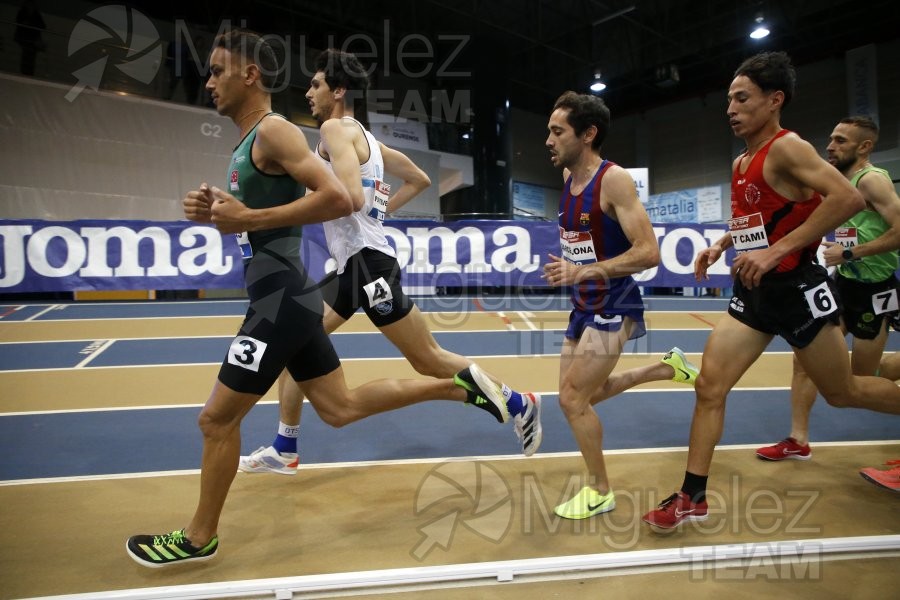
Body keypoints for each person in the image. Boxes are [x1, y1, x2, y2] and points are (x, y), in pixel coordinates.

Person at [126, 29, 517, 568]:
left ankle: (199, 538)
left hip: (281, 301)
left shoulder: (277, 132)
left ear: (250, 74)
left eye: (218, 70)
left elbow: (339, 196)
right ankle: (453, 390)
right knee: (339, 408)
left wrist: (246, 216)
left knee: (215, 422)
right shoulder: (250, 143)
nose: (208, 81)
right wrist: (219, 212)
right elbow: (261, 223)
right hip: (289, 294)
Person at [237, 49, 542, 477]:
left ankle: (518, 401)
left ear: (338, 90)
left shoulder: (333, 130)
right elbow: (418, 177)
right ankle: (285, 445)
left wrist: (293, 209)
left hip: (367, 266)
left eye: (316, 84)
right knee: (294, 341)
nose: (308, 92)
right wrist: (382, 213)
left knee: (428, 358)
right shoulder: (368, 139)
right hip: (353, 267)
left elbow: (351, 198)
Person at [642, 51, 900, 532]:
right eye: (728, 99)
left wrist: (775, 249)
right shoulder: (742, 161)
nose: (730, 108)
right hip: (753, 293)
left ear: (774, 100)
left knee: (842, 392)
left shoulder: (789, 147)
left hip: (798, 290)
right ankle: (691, 495)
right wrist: (722, 242)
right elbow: (755, 223)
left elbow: (849, 199)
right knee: (709, 386)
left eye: (742, 98)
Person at [541, 91, 699, 520]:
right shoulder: (568, 183)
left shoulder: (613, 180)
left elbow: (648, 252)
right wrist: (573, 268)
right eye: (549, 131)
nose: (549, 141)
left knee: (574, 399)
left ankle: (599, 490)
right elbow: (585, 249)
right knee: (579, 395)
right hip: (583, 305)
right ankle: (665, 368)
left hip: (615, 301)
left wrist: (582, 272)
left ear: (588, 134)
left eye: (558, 132)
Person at [756, 116, 900, 462]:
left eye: (840, 141)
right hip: (841, 284)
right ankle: (798, 439)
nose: (830, 147)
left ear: (864, 147)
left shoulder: (873, 182)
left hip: (874, 289)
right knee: (804, 361)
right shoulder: (832, 183)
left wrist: (850, 252)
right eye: (831, 139)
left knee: (861, 377)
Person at [14, 0, 46, 76]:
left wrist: (30, 24)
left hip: (32, 39)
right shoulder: (23, 12)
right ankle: (25, 72)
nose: (31, 6)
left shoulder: (36, 14)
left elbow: (43, 26)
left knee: (30, 57)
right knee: (26, 55)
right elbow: (19, 23)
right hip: (25, 38)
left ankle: (28, 72)